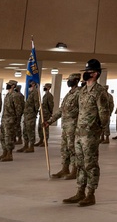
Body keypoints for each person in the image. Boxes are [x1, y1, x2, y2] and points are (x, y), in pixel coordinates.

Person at [63, 59, 111, 207]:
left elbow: (104, 113)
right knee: (80, 163)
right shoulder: (82, 91)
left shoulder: (99, 92)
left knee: (90, 164)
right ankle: (80, 191)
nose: (86, 74)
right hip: (79, 132)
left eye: (88, 72)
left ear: (95, 74)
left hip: (90, 134)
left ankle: (91, 194)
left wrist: (99, 130)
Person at [46, 73, 82, 179]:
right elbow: (62, 109)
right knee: (64, 148)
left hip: (73, 125)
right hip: (65, 125)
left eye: (70, 80)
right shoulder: (69, 93)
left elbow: (82, 110)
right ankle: (65, 168)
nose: (68, 81)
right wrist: (50, 121)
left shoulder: (79, 93)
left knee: (72, 148)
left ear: (76, 80)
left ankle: (74, 170)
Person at [0, 80, 24, 162]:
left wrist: (16, 121)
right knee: (3, 137)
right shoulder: (8, 95)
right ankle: (4, 153)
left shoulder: (15, 96)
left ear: (13, 86)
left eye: (9, 85)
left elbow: (19, 109)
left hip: (11, 120)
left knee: (9, 138)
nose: (7, 86)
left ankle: (9, 154)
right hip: (5, 119)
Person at [18, 81, 40, 153]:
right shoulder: (30, 93)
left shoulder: (35, 93)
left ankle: (31, 146)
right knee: (25, 130)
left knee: (30, 130)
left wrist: (34, 113)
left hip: (31, 115)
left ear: (34, 84)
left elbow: (37, 104)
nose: (29, 84)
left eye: (31, 83)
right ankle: (26, 145)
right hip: (27, 115)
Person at [37, 82, 55, 147]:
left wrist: (50, 112)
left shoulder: (49, 95)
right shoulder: (45, 95)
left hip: (46, 114)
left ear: (49, 88)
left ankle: (45, 141)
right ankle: (41, 140)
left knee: (45, 128)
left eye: (46, 87)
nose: (44, 88)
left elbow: (51, 105)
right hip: (42, 113)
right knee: (40, 127)